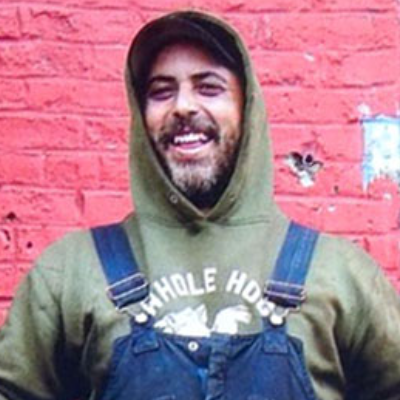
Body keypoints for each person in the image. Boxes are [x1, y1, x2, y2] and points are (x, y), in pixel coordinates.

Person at [0, 10, 399, 400]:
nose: (183, 107)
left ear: (247, 108)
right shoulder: (71, 272)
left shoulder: (340, 274)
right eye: (161, 91)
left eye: (209, 88)